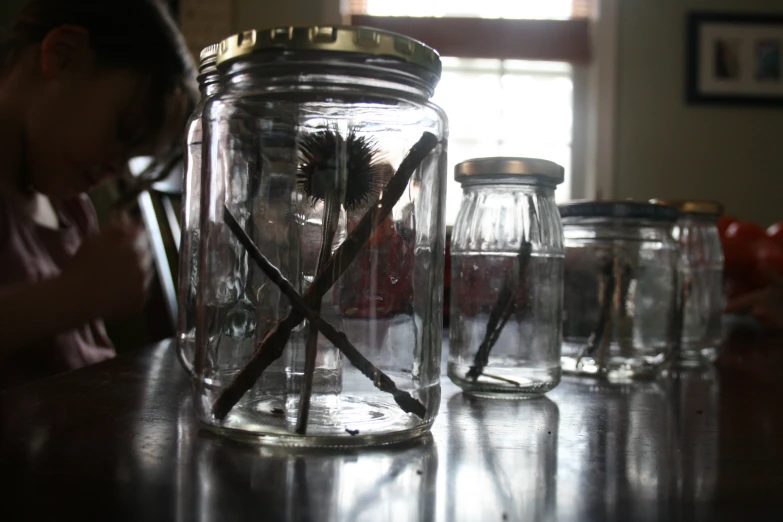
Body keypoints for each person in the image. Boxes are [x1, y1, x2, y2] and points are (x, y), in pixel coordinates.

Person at [0, 0, 197, 389]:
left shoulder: (71, 210)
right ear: (63, 56)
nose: (117, 170)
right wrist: (77, 294)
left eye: (133, 157)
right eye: (122, 131)